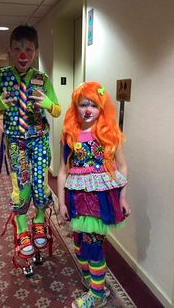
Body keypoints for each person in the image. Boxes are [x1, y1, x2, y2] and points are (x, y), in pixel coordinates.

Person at [0, 25, 61, 262]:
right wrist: (0, 103)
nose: (23, 55)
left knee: (40, 181)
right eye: (18, 49)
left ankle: (38, 220)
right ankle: (21, 226)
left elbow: (58, 110)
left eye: (28, 49)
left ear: (36, 52)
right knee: (22, 183)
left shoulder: (43, 79)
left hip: (39, 139)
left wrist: (48, 103)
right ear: (10, 50)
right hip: (16, 141)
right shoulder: (0, 77)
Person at [57, 82, 131, 308]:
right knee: (79, 244)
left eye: (94, 105)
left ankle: (97, 294)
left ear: (102, 108)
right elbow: (62, 171)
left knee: (93, 245)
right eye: (83, 104)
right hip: (76, 197)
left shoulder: (109, 134)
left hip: (99, 202)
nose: (88, 110)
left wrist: (122, 197)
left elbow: (122, 167)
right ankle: (94, 283)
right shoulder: (70, 133)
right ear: (75, 106)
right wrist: (61, 203)